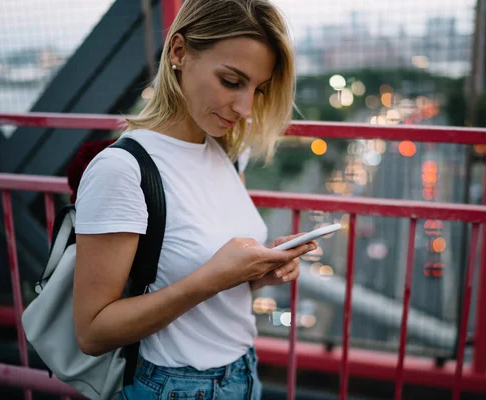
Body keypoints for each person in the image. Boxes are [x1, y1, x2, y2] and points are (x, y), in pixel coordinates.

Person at [72, 1, 316, 399]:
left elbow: (197, 277)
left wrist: (254, 275)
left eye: (258, 89)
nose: (246, 108)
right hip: (173, 386)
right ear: (179, 52)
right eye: (232, 81)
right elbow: (93, 332)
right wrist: (214, 278)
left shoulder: (227, 151)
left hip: (244, 374)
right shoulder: (123, 169)